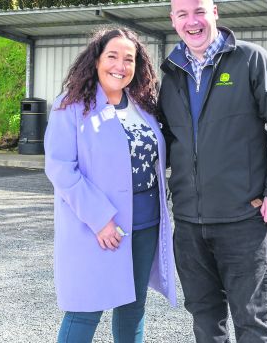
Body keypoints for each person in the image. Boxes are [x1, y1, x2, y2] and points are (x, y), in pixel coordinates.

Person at [159, 0, 267, 342]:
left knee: (251, 320)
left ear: (215, 13)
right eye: (183, 14)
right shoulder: (171, 74)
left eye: (200, 11)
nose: (193, 22)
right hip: (189, 225)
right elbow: (165, 142)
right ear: (173, 20)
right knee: (205, 319)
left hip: (242, 221)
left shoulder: (250, 60)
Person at [44, 27, 176, 343]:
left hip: (146, 221)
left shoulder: (142, 105)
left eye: (128, 59)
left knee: (133, 306)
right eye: (112, 56)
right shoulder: (71, 105)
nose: (120, 65)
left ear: (137, 65)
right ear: (96, 60)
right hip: (99, 225)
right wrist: (100, 219)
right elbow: (61, 168)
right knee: (85, 309)